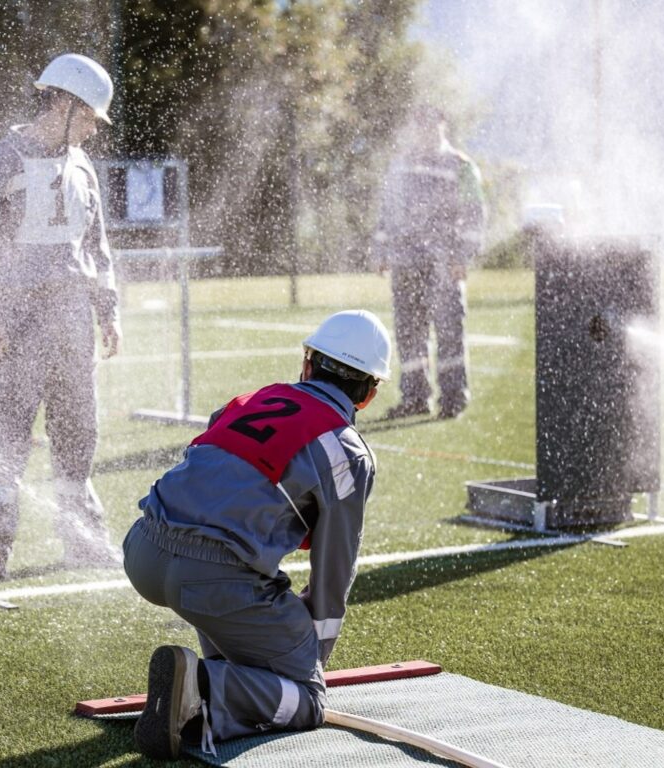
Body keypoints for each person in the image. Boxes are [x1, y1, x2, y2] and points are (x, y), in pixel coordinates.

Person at [123, 309, 391, 760]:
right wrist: (311, 664)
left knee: (237, 601)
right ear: (368, 394)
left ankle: (210, 675)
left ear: (308, 364)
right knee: (306, 698)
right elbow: (333, 573)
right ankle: (200, 687)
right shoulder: (347, 450)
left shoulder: (251, 399)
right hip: (212, 580)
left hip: (143, 548)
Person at [0, 53, 122, 580]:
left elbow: (97, 246)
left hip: (72, 323)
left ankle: (84, 542)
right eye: (91, 115)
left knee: (78, 437)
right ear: (66, 103)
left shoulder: (82, 165)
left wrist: (107, 312)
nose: (95, 128)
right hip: (16, 324)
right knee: (7, 440)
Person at [371, 103, 486, 419]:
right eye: (419, 124)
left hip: (444, 264)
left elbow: (474, 214)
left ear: (442, 125)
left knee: (449, 333)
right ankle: (415, 398)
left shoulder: (460, 165)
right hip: (405, 263)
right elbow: (387, 210)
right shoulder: (401, 165)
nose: (424, 129)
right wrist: (381, 251)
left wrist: (462, 256)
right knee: (409, 334)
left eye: (430, 123)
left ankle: (453, 400)